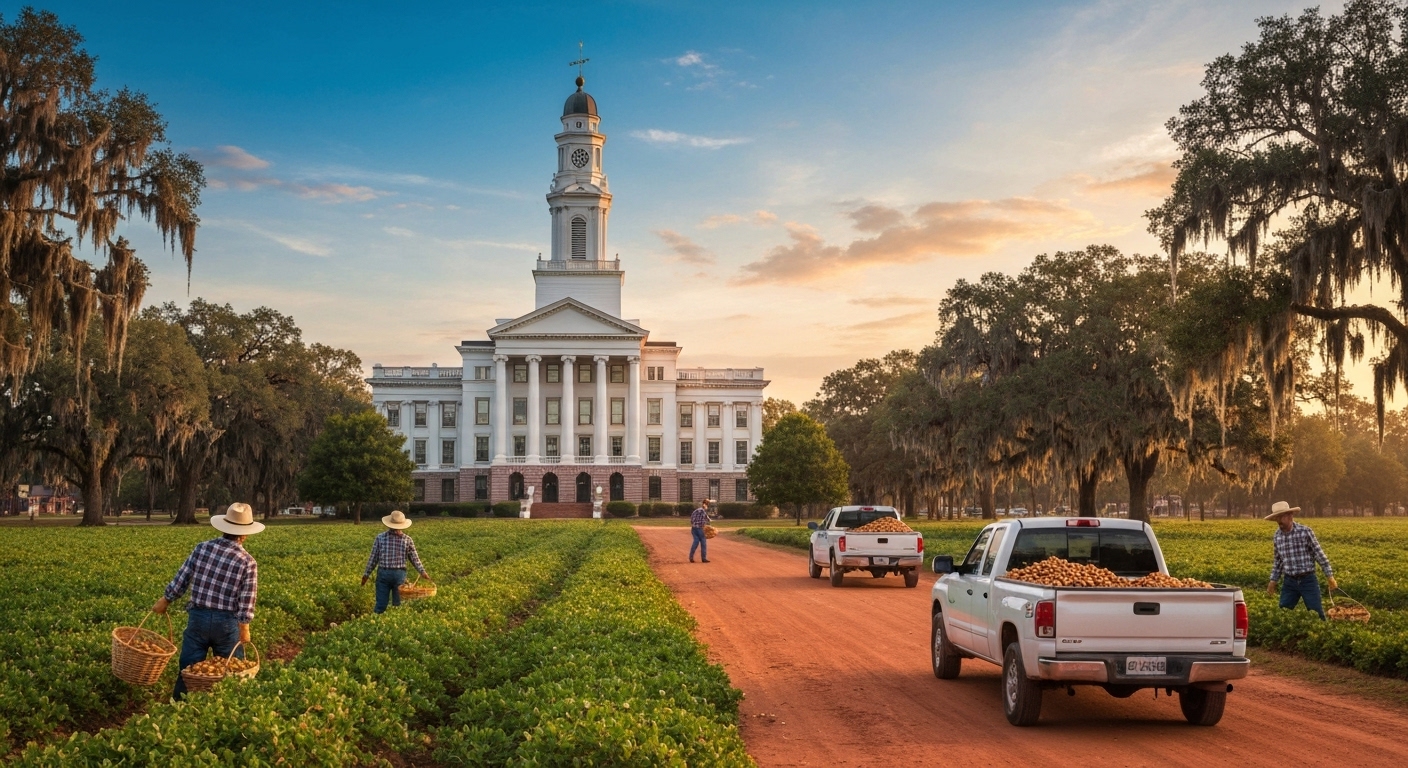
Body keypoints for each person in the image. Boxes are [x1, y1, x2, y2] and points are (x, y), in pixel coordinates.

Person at [153, 502, 262, 700]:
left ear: (224, 527)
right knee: (231, 671)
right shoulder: (248, 561)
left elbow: (182, 578)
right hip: (227, 624)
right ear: (245, 534)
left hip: (198, 618)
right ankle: (224, 707)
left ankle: (179, 707)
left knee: (189, 669)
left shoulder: (202, 548)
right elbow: (247, 599)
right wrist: (244, 629)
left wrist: (166, 600)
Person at [1265, 501, 1337, 619]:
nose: (1279, 521)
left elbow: (1319, 554)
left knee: (1316, 614)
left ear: (1290, 515)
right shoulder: (1277, 536)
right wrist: (1273, 581)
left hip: (1307, 580)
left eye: (1281, 517)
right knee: (1283, 612)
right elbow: (1278, 562)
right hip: (1289, 581)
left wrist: (1329, 576)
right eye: (1276, 518)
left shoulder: (1305, 532)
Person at [361, 509, 429, 613]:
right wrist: (422, 571)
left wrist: (366, 574)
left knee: (380, 605)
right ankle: (395, 625)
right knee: (398, 605)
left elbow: (373, 558)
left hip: (384, 573)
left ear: (389, 524)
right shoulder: (407, 539)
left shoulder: (380, 538)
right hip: (399, 574)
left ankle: (377, 624)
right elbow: (415, 559)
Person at [690, 499, 714, 563]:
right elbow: (705, 518)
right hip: (700, 529)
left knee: (695, 541)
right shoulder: (702, 510)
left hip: (693, 528)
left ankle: (691, 557)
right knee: (703, 543)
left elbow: (692, 519)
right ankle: (704, 558)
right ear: (706, 504)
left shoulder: (696, 510)